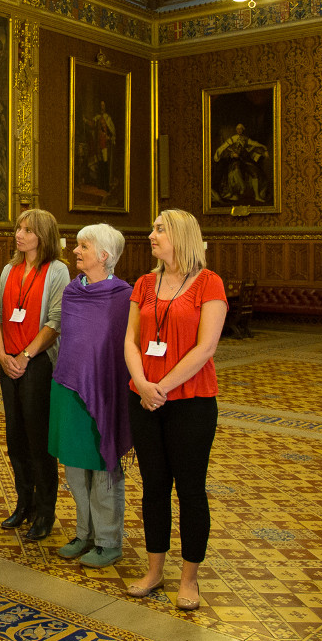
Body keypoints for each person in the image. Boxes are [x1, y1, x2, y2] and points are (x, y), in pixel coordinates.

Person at [124, 209, 228, 610]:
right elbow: (131, 341)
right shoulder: (145, 283)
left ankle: (189, 578)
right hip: (145, 399)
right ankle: (153, 571)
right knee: (153, 488)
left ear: (181, 235)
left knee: (189, 490)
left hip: (191, 404)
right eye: (152, 228)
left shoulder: (209, 283)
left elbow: (206, 348)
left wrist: (162, 387)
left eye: (159, 229)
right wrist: (144, 386)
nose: (151, 235)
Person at [48, 224, 133, 567]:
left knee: (102, 468)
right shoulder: (72, 291)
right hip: (68, 388)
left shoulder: (124, 297)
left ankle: (109, 540)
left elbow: (121, 350)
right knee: (74, 468)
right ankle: (84, 533)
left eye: (84, 246)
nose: (76, 251)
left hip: (105, 391)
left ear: (104, 256)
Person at [0, 209, 70, 541]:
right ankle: (23, 504)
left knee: (39, 440)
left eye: (27, 230)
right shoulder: (11, 269)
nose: (19, 235)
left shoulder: (58, 270)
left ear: (43, 236)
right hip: (8, 362)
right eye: (18, 229)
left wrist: (24, 356)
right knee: (15, 437)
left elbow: (55, 321)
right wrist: (1, 354)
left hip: (38, 363)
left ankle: (44, 511)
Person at [213, 123, 269, 205]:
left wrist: (264, 148)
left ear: (243, 130)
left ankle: (257, 196)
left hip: (244, 161)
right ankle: (241, 187)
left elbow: (255, 143)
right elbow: (223, 148)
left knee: (254, 173)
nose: (239, 130)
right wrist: (227, 155)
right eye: (238, 129)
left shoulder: (246, 139)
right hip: (234, 161)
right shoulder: (233, 139)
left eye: (241, 129)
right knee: (236, 169)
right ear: (236, 130)